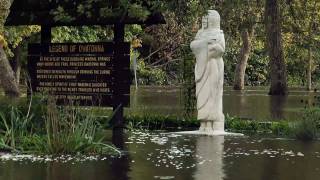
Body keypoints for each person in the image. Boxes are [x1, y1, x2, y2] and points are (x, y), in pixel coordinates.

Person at [190, 10, 226, 134]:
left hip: (214, 67)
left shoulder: (219, 33)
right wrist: (205, 43)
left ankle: (211, 124)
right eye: (203, 19)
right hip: (202, 66)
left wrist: (212, 48)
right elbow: (193, 46)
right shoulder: (200, 33)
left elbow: (221, 50)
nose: (204, 21)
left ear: (213, 20)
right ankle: (203, 124)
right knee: (202, 96)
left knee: (212, 95)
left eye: (207, 19)